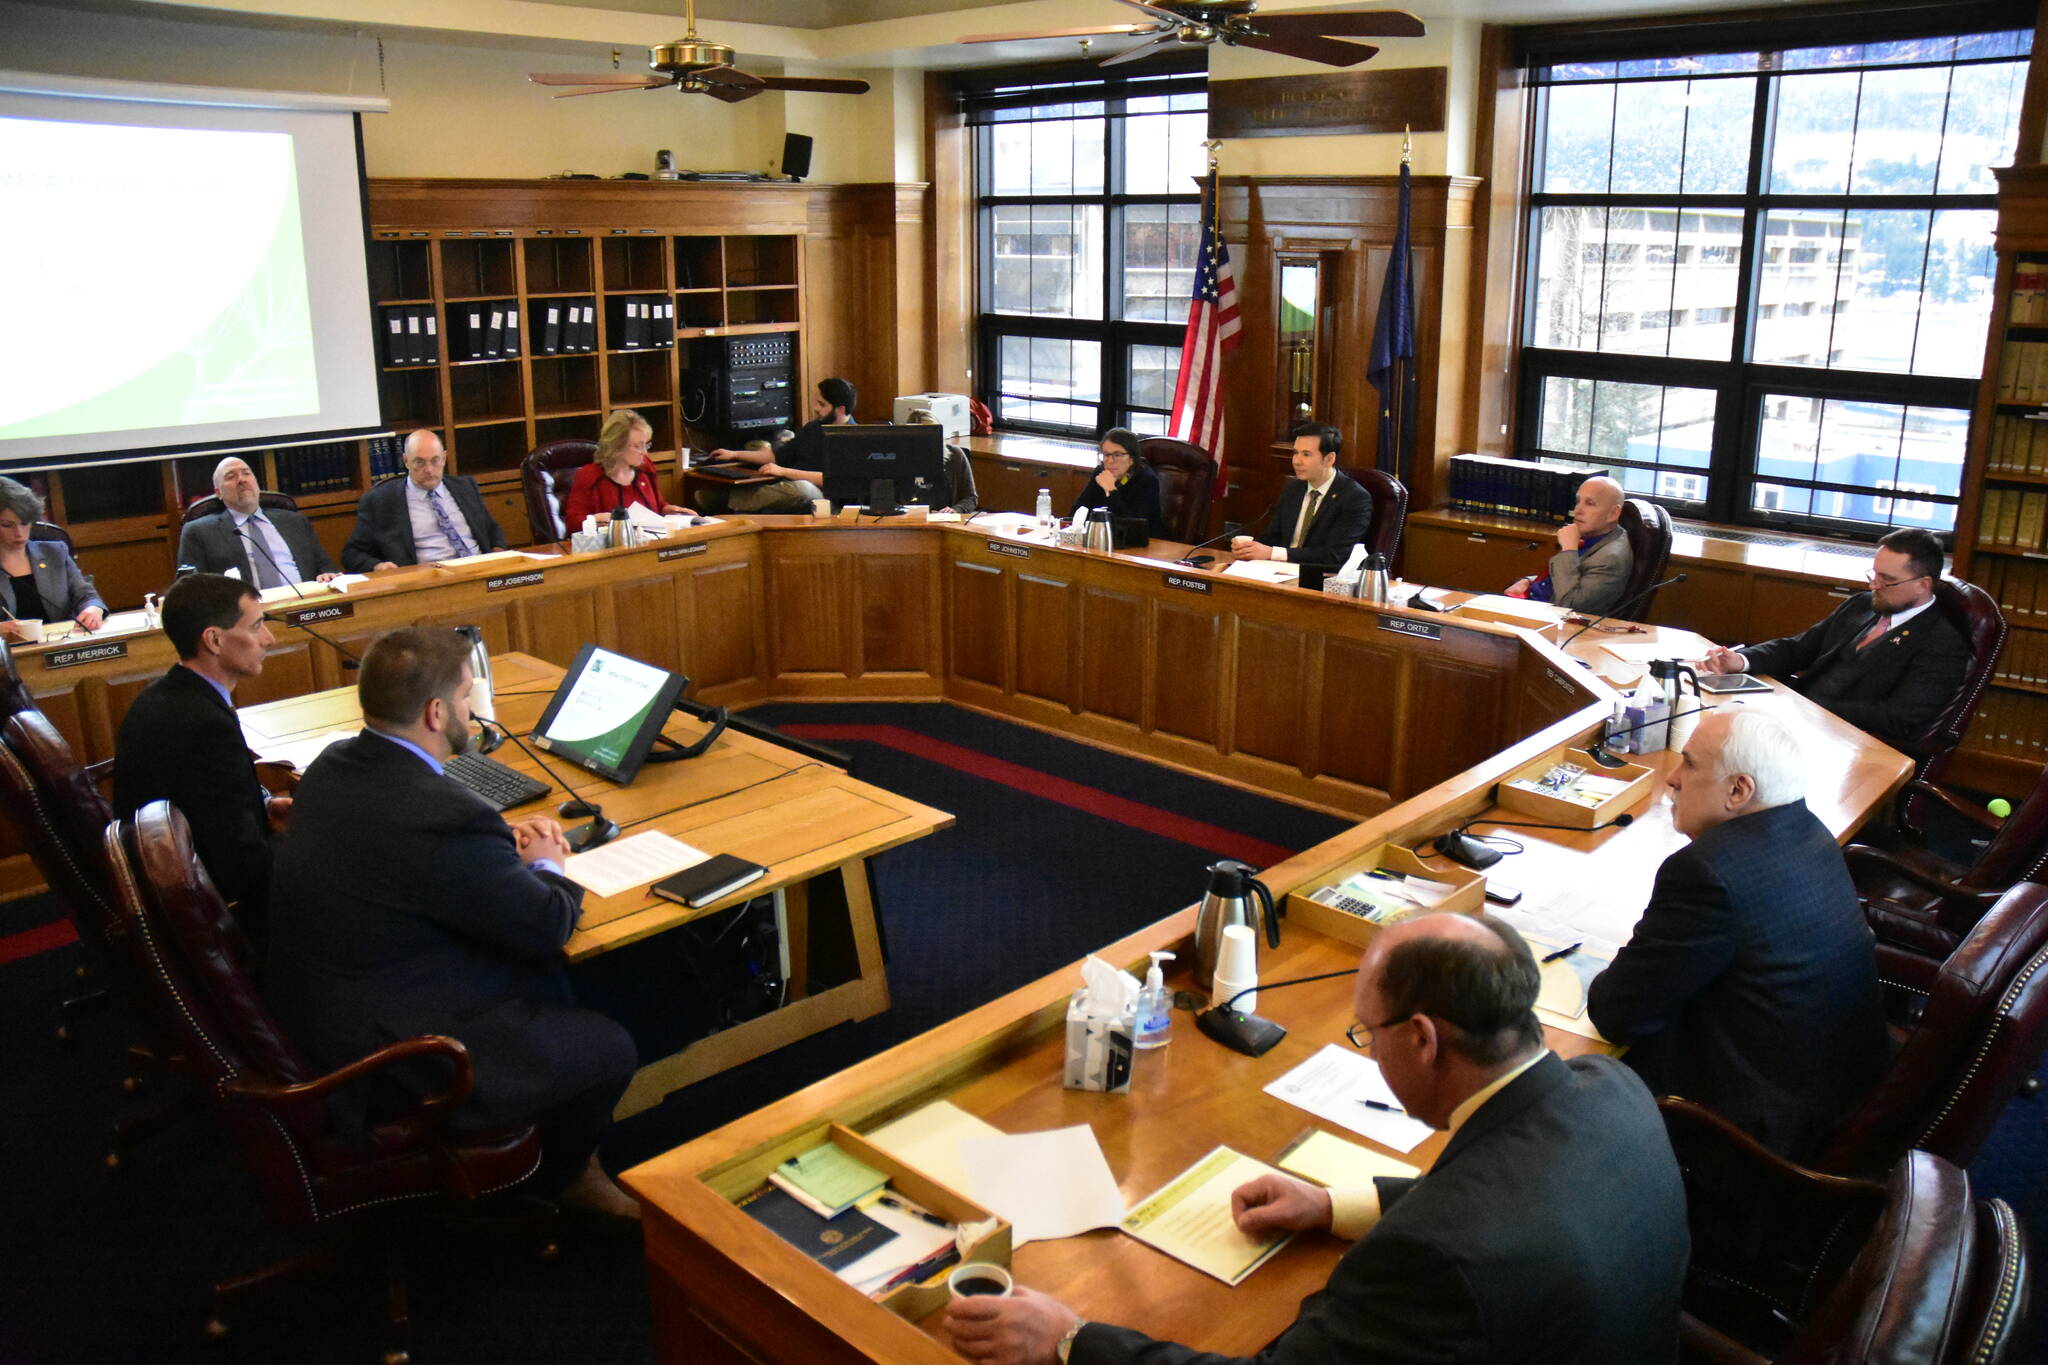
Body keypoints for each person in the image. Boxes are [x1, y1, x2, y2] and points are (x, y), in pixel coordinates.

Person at [948, 913, 1688, 1365]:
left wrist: (1073, 1341)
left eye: (1368, 1032)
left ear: (1424, 1038)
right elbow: (1507, 1196)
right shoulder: (1607, 1089)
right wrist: (1332, 1204)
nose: (1368, 1049)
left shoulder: (1432, 1257)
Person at [266, 627, 639, 1219]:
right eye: (467, 697)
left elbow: (420, 870)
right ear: (436, 712)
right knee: (609, 1043)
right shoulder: (444, 815)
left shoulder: (337, 764)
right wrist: (546, 865)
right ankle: (569, 1177)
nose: (473, 710)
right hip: (390, 1052)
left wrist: (493, 860)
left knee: (551, 982)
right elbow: (546, 925)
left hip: (318, 1006)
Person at [1587, 707, 1886, 1160]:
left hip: (1746, 1137)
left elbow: (1615, 1013)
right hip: (1832, 1092)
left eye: (1689, 763)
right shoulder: (1808, 831)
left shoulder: (1707, 873)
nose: (1672, 778)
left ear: (1739, 790)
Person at [112, 573, 286, 948]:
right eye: (257, 626)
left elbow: (207, 801)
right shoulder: (203, 723)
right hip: (215, 915)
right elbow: (241, 863)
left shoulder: (165, 695)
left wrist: (264, 804)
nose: (269, 639)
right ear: (214, 639)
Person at [1696, 527, 1968, 748]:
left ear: (1923, 585)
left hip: (1845, 741)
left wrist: (1810, 708)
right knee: (1704, 727)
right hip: (1794, 717)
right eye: (1874, 574)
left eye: (1887, 580)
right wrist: (1741, 660)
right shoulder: (1863, 605)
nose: (1874, 585)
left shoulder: (1942, 642)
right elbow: (1799, 649)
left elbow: (1897, 717)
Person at [341, 430, 509, 572]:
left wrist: (498, 553)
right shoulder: (380, 502)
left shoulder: (465, 487)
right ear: (406, 461)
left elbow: (492, 529)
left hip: (479, 570)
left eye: (435, 460)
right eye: (419, 462)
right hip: (428, 580)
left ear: (444, 458)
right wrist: (378, 566)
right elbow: (352, 553)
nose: (428, 470)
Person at [176, 455, 341, 588]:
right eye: (231, 476)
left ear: (256, 482)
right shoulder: (199, 532)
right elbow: (190, 590)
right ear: (218, 493)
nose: (241, 480)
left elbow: (326, 566)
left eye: (246, 473)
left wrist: (327, 575)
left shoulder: (294, 521)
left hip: (306, 605)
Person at [1230, 423, 1374, 573]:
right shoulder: (1293, 489)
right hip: (1278, 572)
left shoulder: (1354, 498)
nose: (1296, 461)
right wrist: (1248, 549)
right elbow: (1271, 538)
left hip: (1320, 579)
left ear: (1329, 459)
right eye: (1295, 452)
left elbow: (1335, 555)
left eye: (1306, 454)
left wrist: (1272, 553)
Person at [707, 376, 856, 513]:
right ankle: (735, 506)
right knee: (792, 488)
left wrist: (784, 471)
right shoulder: (813, 428)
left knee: (803, 488)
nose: (816, 408)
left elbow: (831, 479)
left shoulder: (853, 439)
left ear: (840, 409)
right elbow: (776, 455)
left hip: (828, 502)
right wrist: (734, 454)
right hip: (790, 487)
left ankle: (726, 502)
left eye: (822, 404)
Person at [1507, 475, 1633, 615]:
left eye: (1590, 503)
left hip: (1548, 619)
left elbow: (1569, 606)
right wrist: (1528, 582)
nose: (1578, 510)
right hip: (1527, 602)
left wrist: (1568, 550)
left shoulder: (1611, 558)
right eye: (1578, 502)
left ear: (1613, 513)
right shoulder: (1594, 536)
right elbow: (1567, 579)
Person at [0, 477, 103, 640]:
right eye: (7, 525)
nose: (19, 533)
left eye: (25, 523)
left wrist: (93, 609)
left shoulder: (55, 552)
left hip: (62, 644)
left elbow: (86, 596)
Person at [560, 408, 685, 532]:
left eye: (646, 445)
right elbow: (572, 524)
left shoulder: (645, 468)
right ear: (617, 446)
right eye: (637, 446)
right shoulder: (589, 476)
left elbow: (658, 506)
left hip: (649, 542)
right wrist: (597, 519)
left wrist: (672, 511)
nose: (644, 452)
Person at [1070, 428, 1163, 538]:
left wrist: (1111, 490)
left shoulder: (1147, 480)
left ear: (1131, 459)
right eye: (1106, 455)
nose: (1110, 461)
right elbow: (1078, 512)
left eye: (1117, 455)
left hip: (1143, 546)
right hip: (1103, 541)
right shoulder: (1100, 474)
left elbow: (1132, 528)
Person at [905, 407, 979, 514]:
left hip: (945, 520)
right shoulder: (902, 460)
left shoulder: (955, 455)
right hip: (913, 518)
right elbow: (896, 499)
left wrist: (955, 510)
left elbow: (971, 497)